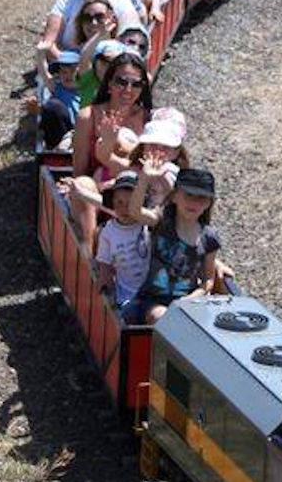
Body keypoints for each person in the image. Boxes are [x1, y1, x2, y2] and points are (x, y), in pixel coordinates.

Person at [68, 52, 153, 250]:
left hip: (133, 190)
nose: (128, 90)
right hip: (98, 189)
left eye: (136, 84)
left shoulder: (148, 119)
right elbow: (80, 168)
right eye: (121, 82)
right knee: (83, 183)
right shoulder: (88, 116)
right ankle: (90, 252)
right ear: (109, 84)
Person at [128, 165, 232, 323]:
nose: (194, 203)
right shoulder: (162, 221)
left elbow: (207, 281)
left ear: (209, 203)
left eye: (201, 198)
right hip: (154, 299)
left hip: (188, 301)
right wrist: (144, 179)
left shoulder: (209, 236)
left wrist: (189, 299)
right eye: (189, 195)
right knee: (161, 316)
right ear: (175, 196)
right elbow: (135, 212)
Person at [95, 172, 151, 319]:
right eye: (119, 203)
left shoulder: (147, 226)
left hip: (151, 290)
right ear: (112, 203)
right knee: (129, 315)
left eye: (130, 204)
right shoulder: (108, 231)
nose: (125, 209)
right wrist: (105, 282)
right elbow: (104, 262)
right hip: (125, 292)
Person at [35, 48, 82, 148]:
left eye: (72, 71)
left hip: (80, 131)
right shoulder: (58, 88)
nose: (68, 75)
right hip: (63, 130)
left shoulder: (87, 90)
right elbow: (44, 72)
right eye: (64, 72)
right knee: (53, 106)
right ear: (59, 74)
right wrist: (40, 54)